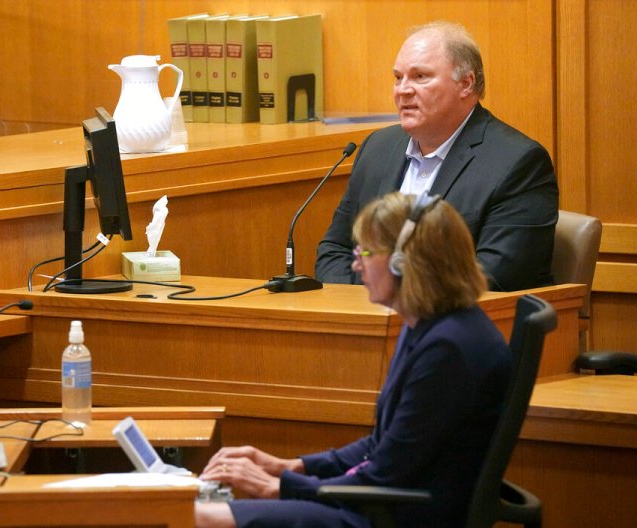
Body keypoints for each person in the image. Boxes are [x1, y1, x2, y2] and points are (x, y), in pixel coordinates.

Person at [195, 191, 512, 528]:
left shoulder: (450, 350)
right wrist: (290, 466)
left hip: (399, 517)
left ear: (404, 262)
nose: (355, 263)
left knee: (199, 516)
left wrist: (277, 487)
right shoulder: (427, 324)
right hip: (382, 506)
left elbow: (381, 478)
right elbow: (383, 445)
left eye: (365, 252)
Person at [316, 21, 558, 292]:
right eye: (398, 77)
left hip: (461, 329)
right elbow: (335, 250)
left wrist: (391, 298)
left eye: (420, 76)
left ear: (466, 83)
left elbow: (494, 276)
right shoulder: (377, 149)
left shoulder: (516, 163)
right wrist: (368, 304)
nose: (403, 90)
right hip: (370, 325)